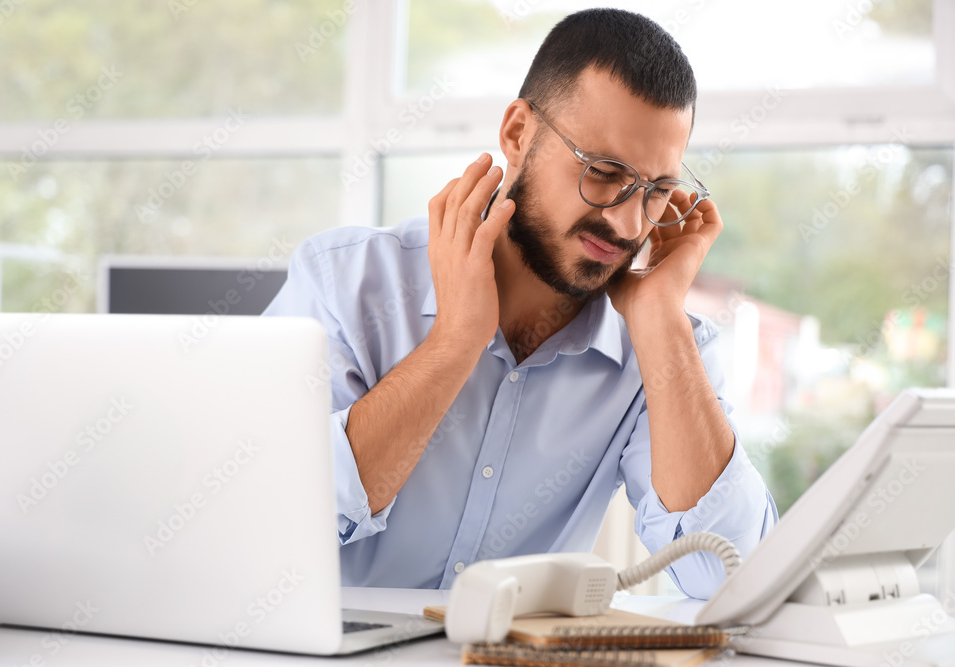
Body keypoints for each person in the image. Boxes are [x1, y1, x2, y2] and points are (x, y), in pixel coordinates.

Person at [263, 8, 777, 599]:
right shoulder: (345, 284)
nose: (626, 222)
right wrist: (456, 341)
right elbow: (270, 519)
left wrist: (660, 314)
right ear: (516, 133)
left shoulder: (662, 347)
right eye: (605, 173)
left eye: (655, 192)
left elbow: (733, 578)